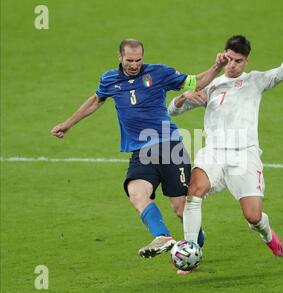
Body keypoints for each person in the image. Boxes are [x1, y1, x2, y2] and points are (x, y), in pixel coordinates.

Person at [51, 38, 227, 258]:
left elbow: (195, 82)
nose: (134, 65)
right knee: (135, 192)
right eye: (129, 60)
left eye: (138, 60)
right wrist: (67, 124)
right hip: (141, 151)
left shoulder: (159, 73)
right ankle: (163, 236)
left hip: (169, 146)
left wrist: (217, 66)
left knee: (181, 209)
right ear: (119, 57)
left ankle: (195, 247)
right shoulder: (110, 79)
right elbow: (96, 101)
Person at [168, 27, 283, 274]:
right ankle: (191, 253)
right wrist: (183, 97)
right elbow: (173, 110)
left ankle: (267, 235)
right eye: (230, 59)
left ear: (246, 60)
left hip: (244, 155)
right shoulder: (212, 85)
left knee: (253, 216)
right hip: (213, 152)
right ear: (223, 55)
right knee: (194, 190)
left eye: (239, 61)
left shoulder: (255, 80)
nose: (233, 65)